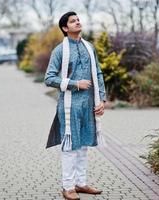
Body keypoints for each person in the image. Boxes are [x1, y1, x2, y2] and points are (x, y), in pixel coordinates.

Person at [44, 11, 106, 200]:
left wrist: (101, 99)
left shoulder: (89, 47)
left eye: (78, 19)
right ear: (65, 28)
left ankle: (80, 183)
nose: (78, 22)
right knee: (70, 146)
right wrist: (75, 83)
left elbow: (98, 73)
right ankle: (68, 186)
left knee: (84, 146)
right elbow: (49, 78)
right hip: (69, 106)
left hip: (89, 105)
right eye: (73, 21)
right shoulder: (60, 50)